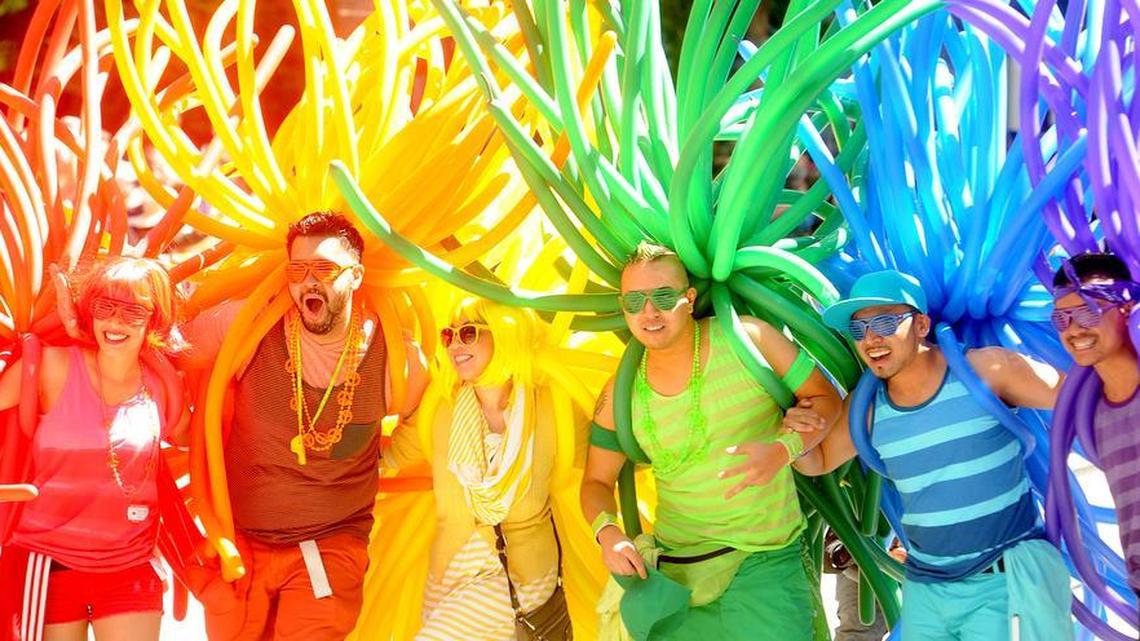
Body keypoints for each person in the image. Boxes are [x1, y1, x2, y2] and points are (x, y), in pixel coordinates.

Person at [180, 211, 429, 640]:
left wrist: (384, 459)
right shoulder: (244, 329)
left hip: (329, 543)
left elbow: (422, 421)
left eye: (325, 269)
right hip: (242, 545)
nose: (309, 281)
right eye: (298, 269)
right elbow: (168, 354)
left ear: (356, 276)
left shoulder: (396, 361)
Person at [788, 269, 1073, 641]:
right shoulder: (867, 406)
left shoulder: (986, 369)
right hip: (927, 589)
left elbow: (1078, 398)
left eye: (886, 322)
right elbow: (820, 460)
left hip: (1003, 580)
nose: (871, 338)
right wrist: (798, 435)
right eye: (859, 330)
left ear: (921, 324)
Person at [581, 241, 843, 640]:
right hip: (678, 579)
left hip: (764, 565)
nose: (649, 312)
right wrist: (609, 535)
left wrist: (783, 449)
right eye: (635, 301)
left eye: (663, 297)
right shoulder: (620, 390)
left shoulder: (747, 340)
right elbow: (596, 482)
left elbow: (826, 399)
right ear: (623, 307)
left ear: (688, 299)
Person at [0, 257, 187, 641]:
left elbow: (200, 440)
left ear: (154, 320)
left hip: (130, 565)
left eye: (133, 311)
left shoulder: (162, 386)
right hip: (48, 563)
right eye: (105, 307)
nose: (116, 322)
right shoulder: (50, 366)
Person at [383, 298, 580, 640]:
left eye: (469, 333)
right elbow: (387, 460)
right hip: (450, 566)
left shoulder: (552, 405)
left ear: (505, 333)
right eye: (449, 335)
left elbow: (609, 456)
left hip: (522, 574)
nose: (456, 344)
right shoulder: (440, 408)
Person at [1050, 253, 1140, 599]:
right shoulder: (1094, 412)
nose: (1074, 330)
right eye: (1061, 319)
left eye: (1088, 311)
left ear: (1127, 307)